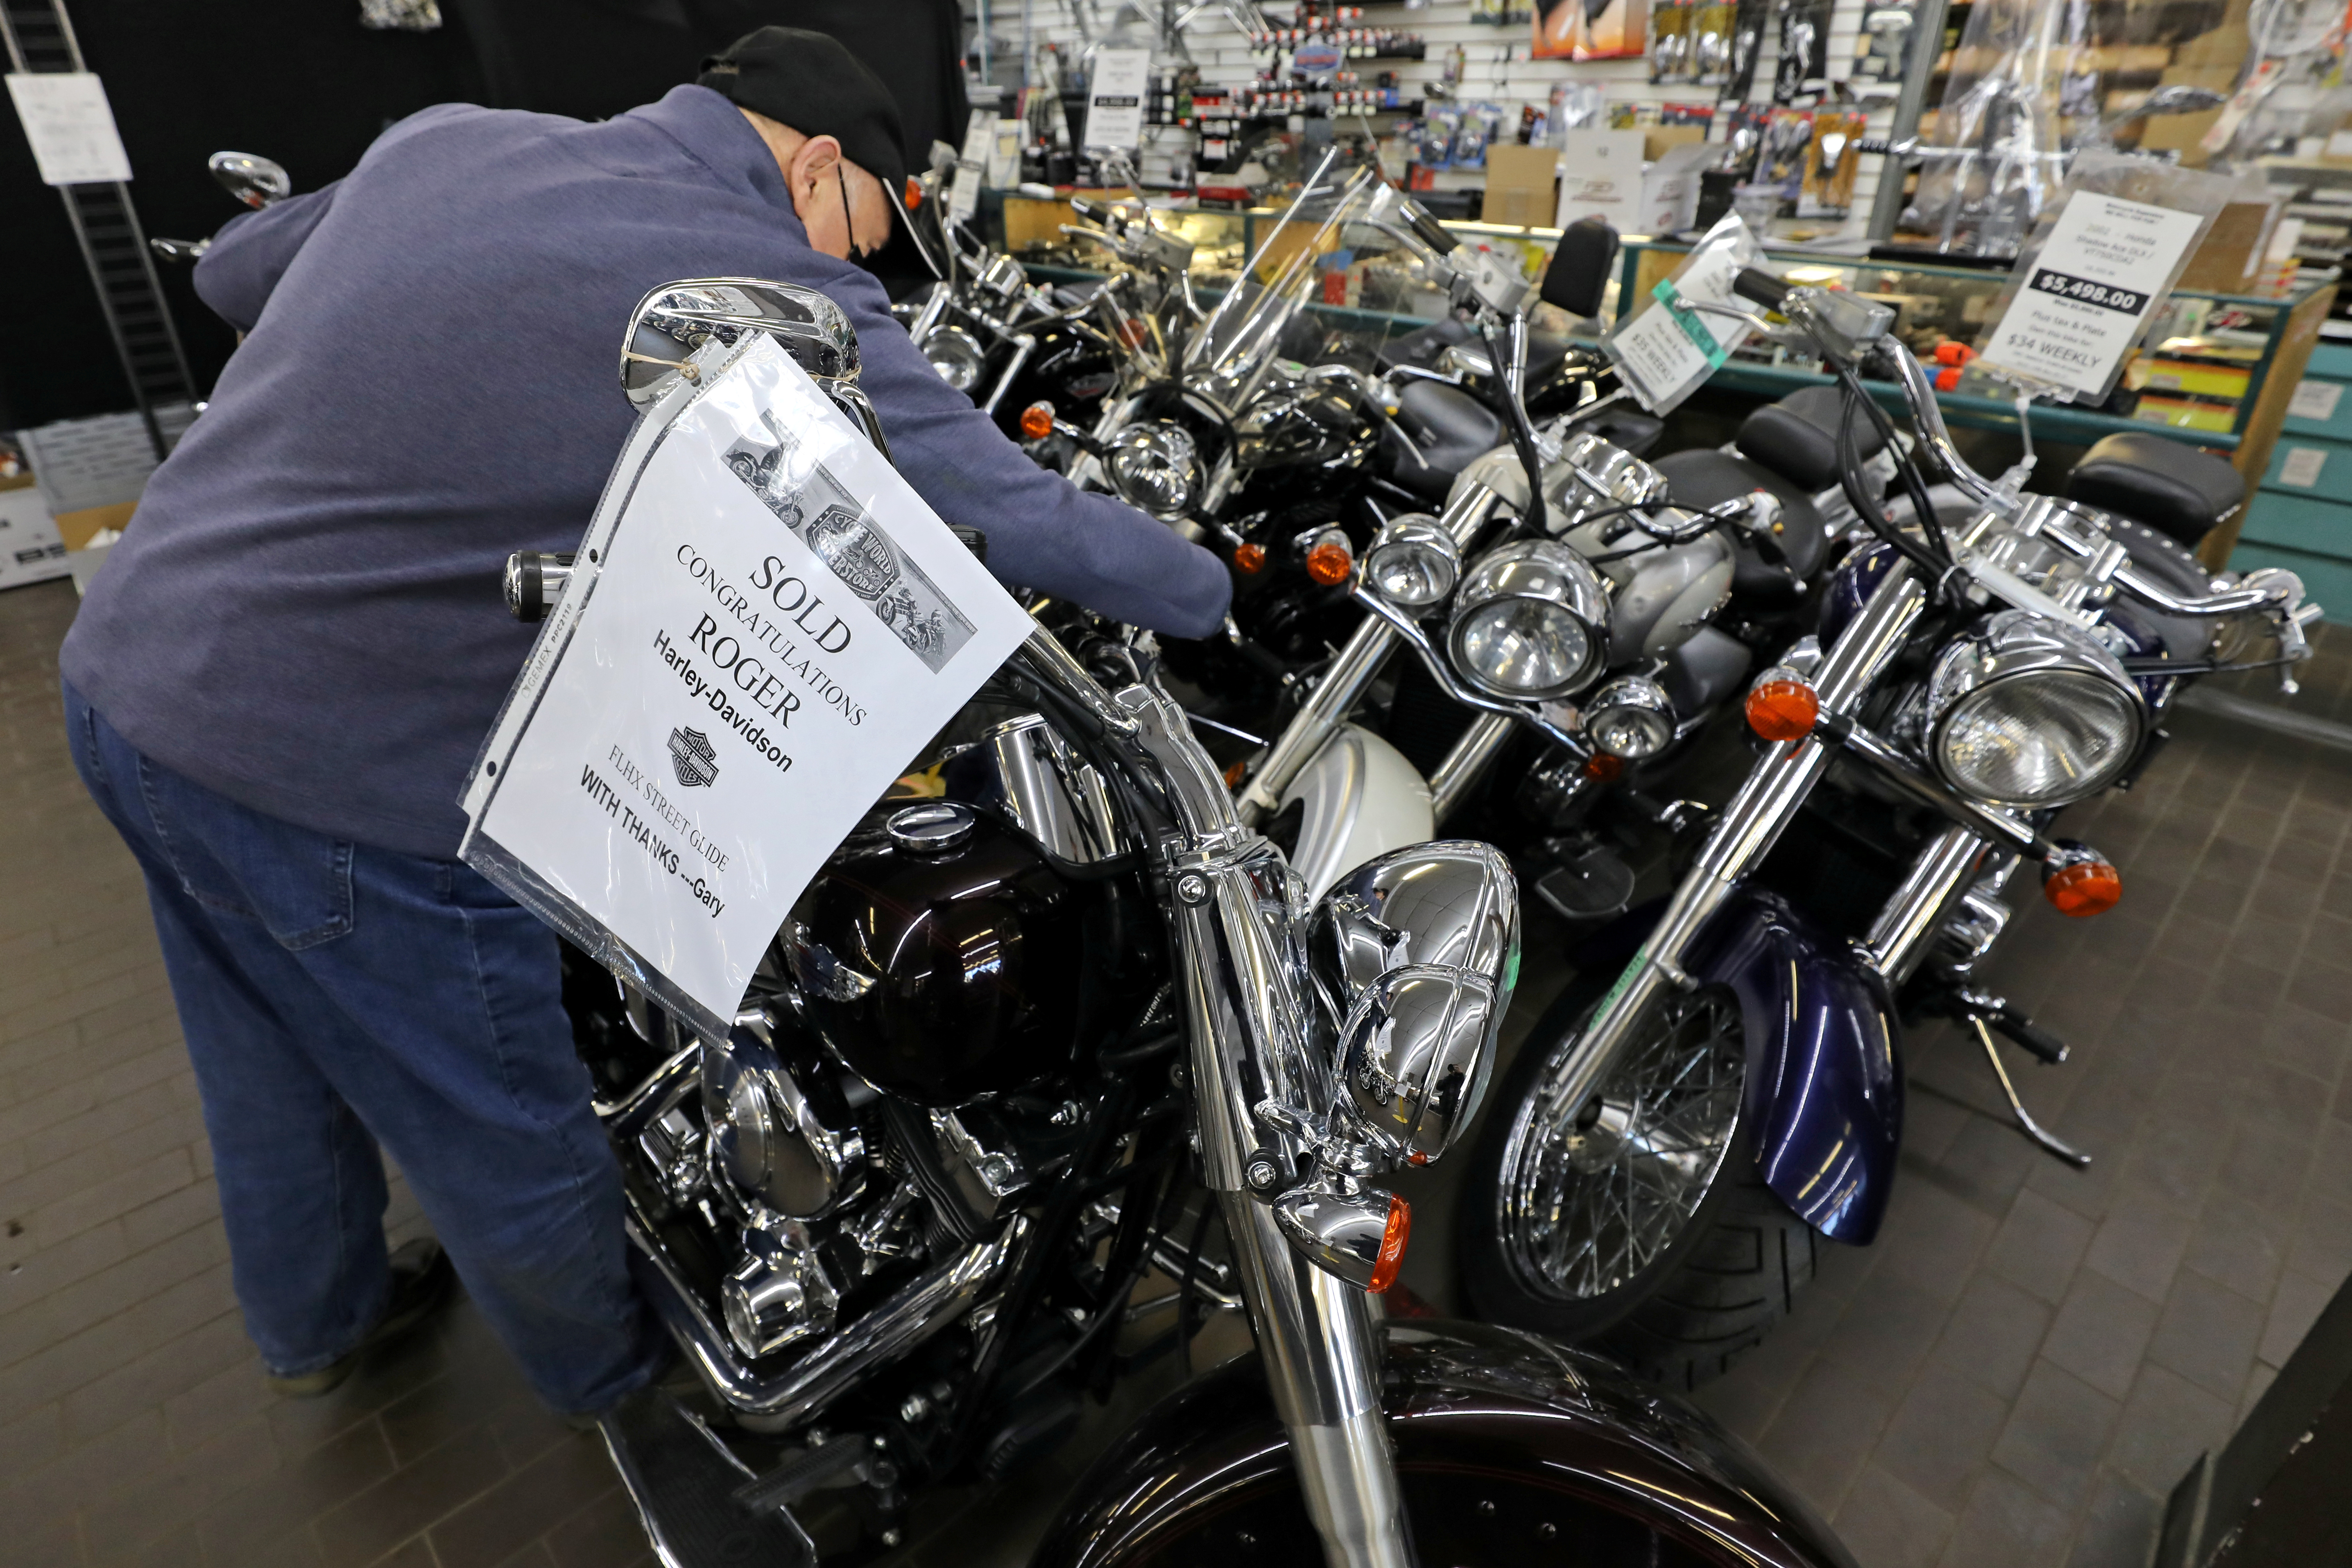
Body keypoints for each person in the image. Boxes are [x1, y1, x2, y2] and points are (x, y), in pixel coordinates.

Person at [58, 26, 1229, 1419]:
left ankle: (316, 1322)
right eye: (875, 235)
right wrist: (1211, 584)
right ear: (818, 167)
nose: (867, 273)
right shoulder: (760, 282)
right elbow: (1010, 513)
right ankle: (619, 1395)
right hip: (335, 772)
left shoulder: (454, 137)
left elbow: (236, 269)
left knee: (257, 1031)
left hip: (128, 672)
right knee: (498, 1118)